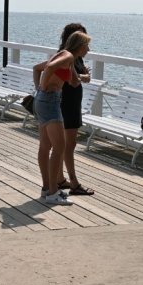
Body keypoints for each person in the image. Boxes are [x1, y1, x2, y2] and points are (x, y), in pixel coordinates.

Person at [33, 31, 92, 205]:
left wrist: (40, 90)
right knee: (59, 147)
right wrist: (43, 87)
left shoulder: (66, 57)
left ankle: (46, 189)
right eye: (87, 45)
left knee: (45, 146)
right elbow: (49, 68)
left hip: (43, 100)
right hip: (50, 101)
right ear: (80, 46)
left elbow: (38, 68)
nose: (88, 49)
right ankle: (52, 193)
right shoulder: (67, 57)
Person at [56, 23, 94, 196]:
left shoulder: (71, 56)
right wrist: (84, 77)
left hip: (70, 101)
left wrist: (82, 74)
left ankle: (59, 178)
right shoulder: (68, 56)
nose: (87, 47)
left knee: (63, 144)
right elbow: (72, 80)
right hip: (67, 102)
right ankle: (74, 182)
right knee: (69, 144)